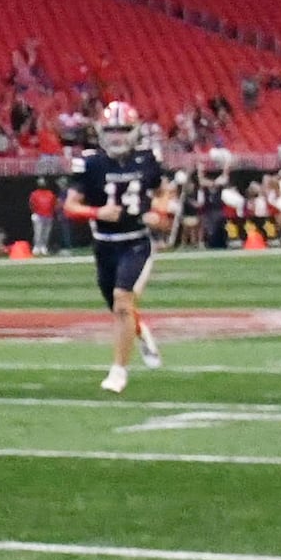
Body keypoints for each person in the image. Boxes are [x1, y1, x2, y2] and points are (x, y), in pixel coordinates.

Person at [64, 99, 176, 396]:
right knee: (119, 307)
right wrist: (96, 213)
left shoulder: (147, 158)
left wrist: (160, 211)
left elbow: (164, 191)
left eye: (123, 129)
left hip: (136, 242)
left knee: (123, 301)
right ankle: (140, 331)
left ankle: (118, 371)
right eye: (112, 130)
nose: (117, 136)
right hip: (104, 245)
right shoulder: (90, 163)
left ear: (134, 131)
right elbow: (70, 206)